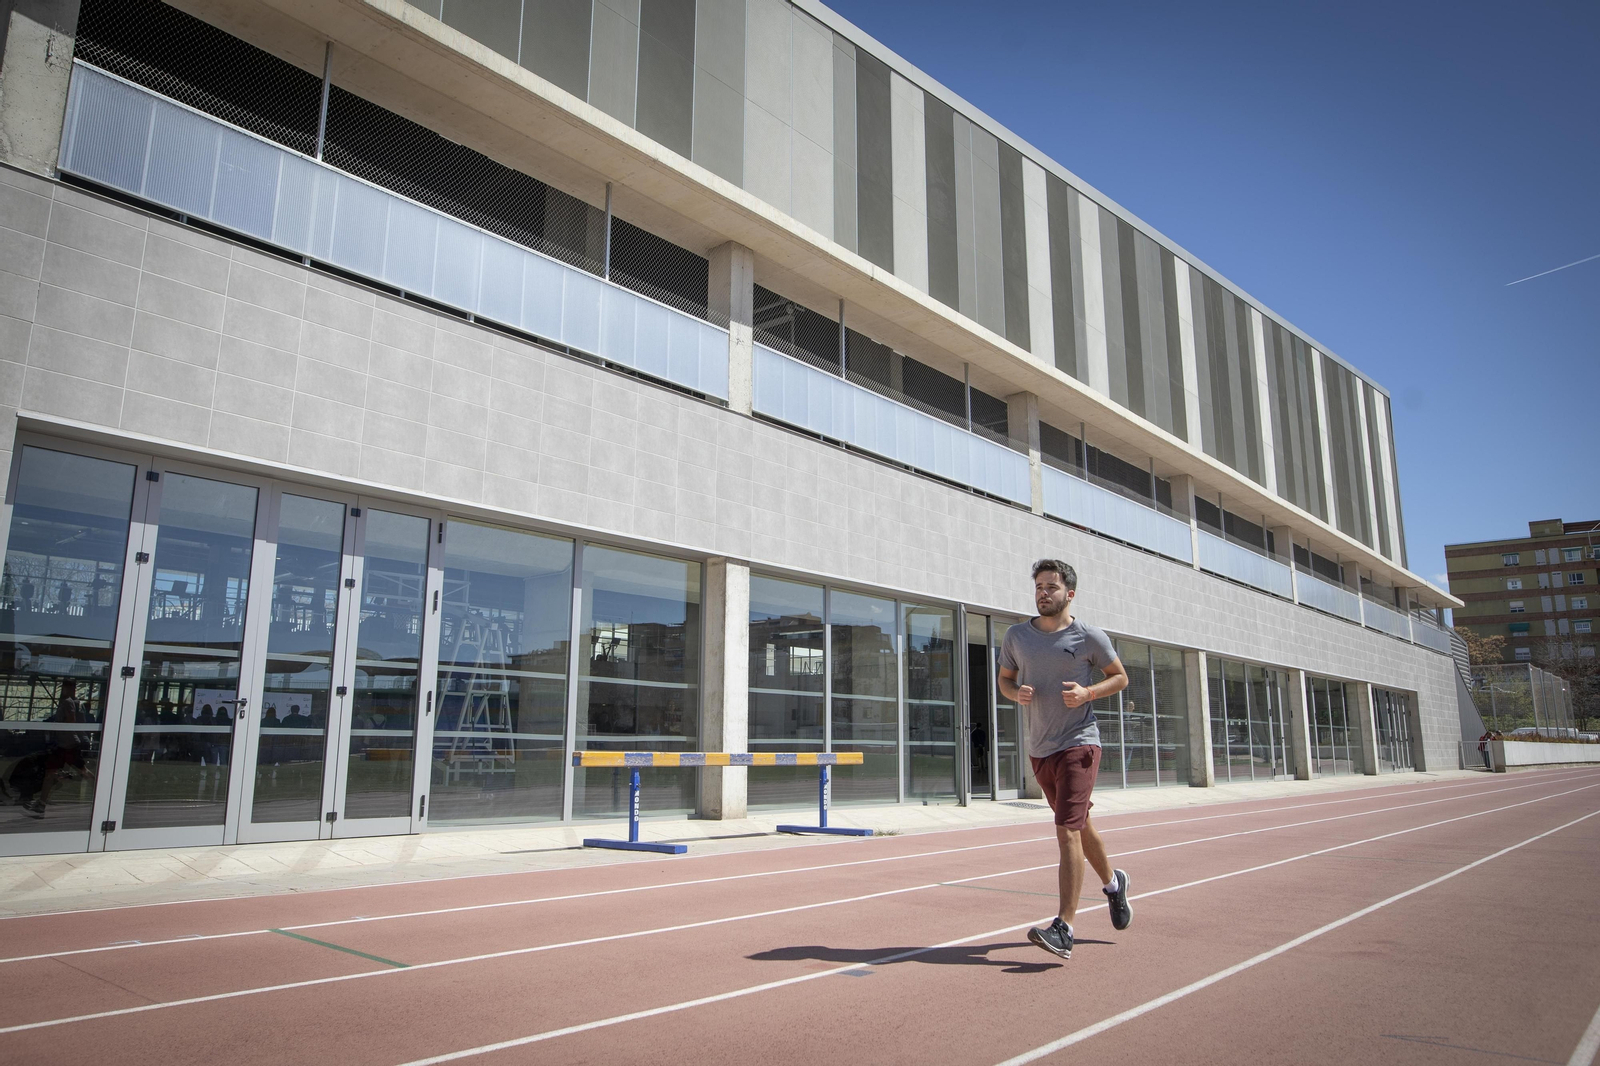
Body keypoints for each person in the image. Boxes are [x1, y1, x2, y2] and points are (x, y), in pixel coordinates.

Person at [999, 558, 1133, 960]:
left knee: (1066, 831)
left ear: (1069, 594)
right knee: (1080, 824)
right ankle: (1113, 884)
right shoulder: (1017, 636)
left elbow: (1121, 677)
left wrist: (1088, 694)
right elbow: (1004, 680)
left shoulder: (1089, 636)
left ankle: (1064, 926)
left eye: (1051, 587)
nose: (1043, 593)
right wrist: (1014, 693)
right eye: (1039, 586)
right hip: (1041, 749)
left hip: (1079, 742)